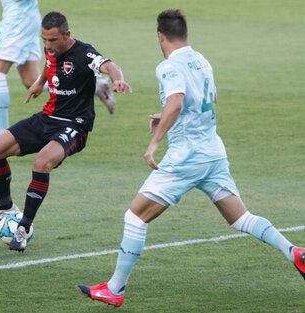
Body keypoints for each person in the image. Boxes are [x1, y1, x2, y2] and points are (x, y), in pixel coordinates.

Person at [76, 9, 305, 307]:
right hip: (213, 153)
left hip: (186, 157)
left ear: (160, 36)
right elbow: (210, 99)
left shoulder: (168, 66)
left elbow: (178, 100)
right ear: (185, 34)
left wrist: (155, 141)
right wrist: (166, 118)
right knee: (241, 218)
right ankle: (295, 252)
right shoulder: (202, 60)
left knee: (135, 216)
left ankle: (115, 289)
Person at [0, 11, 132, 252]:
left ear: (67, 35)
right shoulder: (50, 49)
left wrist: (118, 79)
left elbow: (110, 65)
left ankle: (23, 228)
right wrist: (39, 82)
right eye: (44, 40)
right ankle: (6, 210)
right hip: (47, 118)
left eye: (53, 40)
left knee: (42, 163)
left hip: (74, 125)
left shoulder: (84, 53)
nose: (48, 45)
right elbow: (50, 63)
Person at [0, 1, 116, 151]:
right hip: (25, 17)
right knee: (31, 81)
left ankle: (0, 136)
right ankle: (93, 87)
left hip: (18, 19)